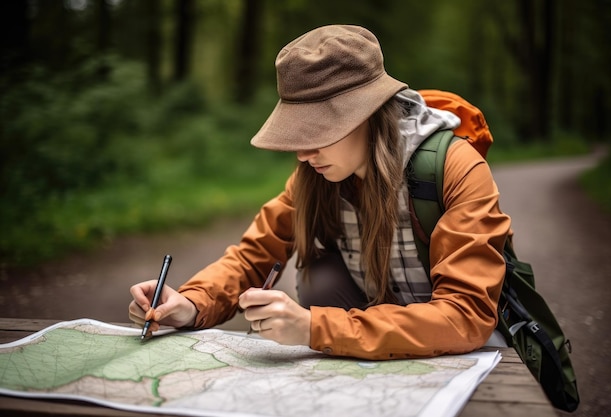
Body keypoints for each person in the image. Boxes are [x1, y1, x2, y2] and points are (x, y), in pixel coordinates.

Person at [128, 24, 511, 360]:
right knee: (319, 277)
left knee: (319, 292)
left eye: (317, 132)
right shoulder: (314, 176)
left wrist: (316, 327)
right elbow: (253, 256)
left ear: (369, 113)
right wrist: (191, 303)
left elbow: (466, 314)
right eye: (297, 132)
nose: (302, 152)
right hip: (371, 327)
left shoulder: (454, 167)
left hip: (453, 342)